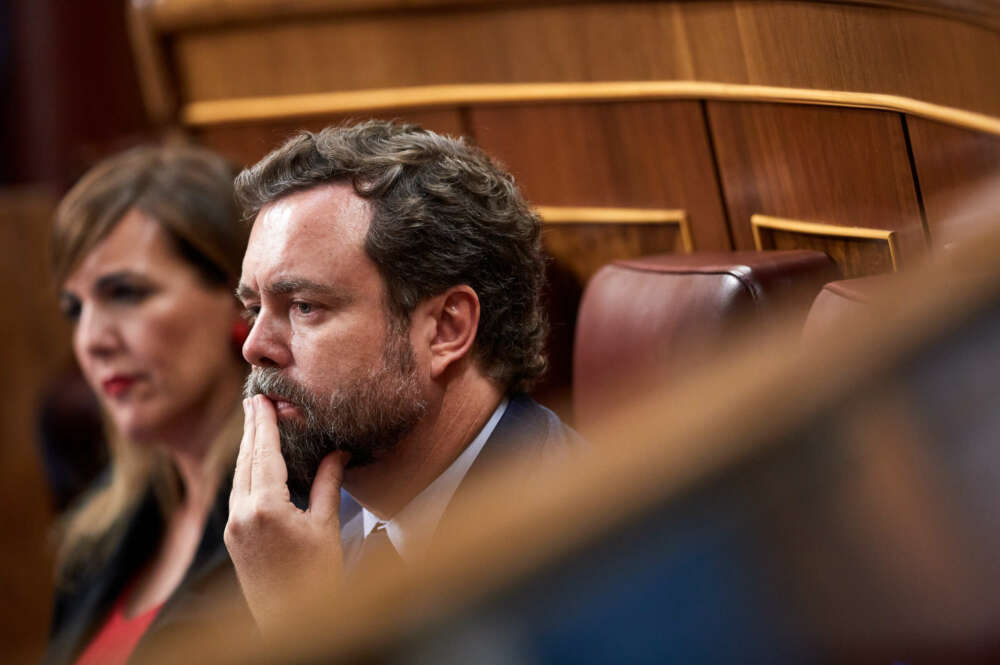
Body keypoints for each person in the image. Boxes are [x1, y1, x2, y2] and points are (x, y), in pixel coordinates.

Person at [224, 120, 581, 631]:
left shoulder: (573, 545)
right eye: (254, 307)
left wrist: (301, 630)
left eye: (304, 306)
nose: (256, 346)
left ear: (445, 328)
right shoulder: (296, 530)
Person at [43, 145, 251, 665]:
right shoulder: (97, 536)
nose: (91, 340)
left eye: (127, 294)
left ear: (239, 299)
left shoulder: (294, 519)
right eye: (75, 309)